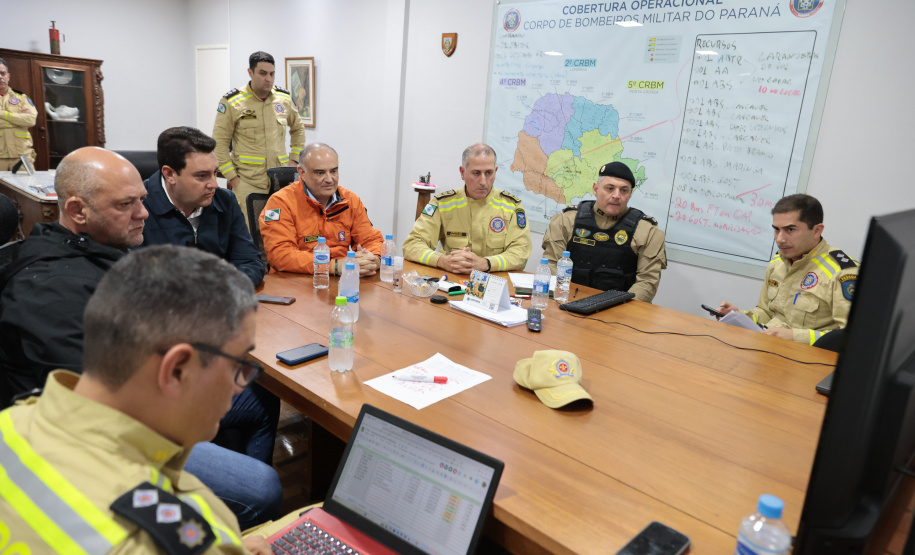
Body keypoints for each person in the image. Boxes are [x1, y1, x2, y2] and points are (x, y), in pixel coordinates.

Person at [0, 147, 281, 530]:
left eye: (143, 201)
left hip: (146, 397)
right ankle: (232, 514)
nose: (143, 214)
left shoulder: (97, 252)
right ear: (78, 211)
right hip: (106, 438)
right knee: (261, 486)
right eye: (126, 204)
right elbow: (100, 408)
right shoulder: (48, 292)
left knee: (261, 394)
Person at [0, 245, 272, 553]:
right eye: (238, 364)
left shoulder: (11, 422)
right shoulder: (177, 537)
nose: (240, 386)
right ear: (177, 370)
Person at [718, 193, 859, 345]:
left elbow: (853, 337)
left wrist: (795, 336)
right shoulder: (778, 263)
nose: (780, 239)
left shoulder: (842, 273)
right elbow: (767, 312)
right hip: (768, 350)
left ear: (817, 231)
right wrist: (739, 317)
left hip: (809, 361)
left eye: (790, 230)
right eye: (777, 230)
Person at [140, 126, 265, 285]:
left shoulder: (225, 201)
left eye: (215, 173)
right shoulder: (137, 208)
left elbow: (250, 262)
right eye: (202, 176)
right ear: (169, 174)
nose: (214, 184)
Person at [541, 161, 667, 302]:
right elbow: (552, 265)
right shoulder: (566, 221)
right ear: (596, 189)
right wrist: (563, 300)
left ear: (630, 193)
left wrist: (621, 310)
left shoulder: (647, 231)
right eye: (610, 188)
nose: (616, 195)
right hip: (567, 302)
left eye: (624, 190)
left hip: (620, 309)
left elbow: (647, 282)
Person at [403, 143, 532, 274]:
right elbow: (412, 245)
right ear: (462, 172)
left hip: (494, 283)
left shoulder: (512, 206)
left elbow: (520, 252)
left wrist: (486, 263)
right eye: (476, 173)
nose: (483, 181)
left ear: (496, 171)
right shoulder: (443, 204)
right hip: (453, 281)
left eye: (489, 173)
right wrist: (442, 260)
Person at [260, 143, 382, 276]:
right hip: (295, 282)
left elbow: (370, 239)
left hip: (340, 280)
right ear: (302, 172)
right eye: (320, 173)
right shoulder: (280, 202)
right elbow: (280, 255)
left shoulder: (350, 200)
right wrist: (332, 266)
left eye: (333, 171)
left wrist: (374, 259)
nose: (329, 179)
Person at [213, 51, 305, 224]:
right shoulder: (232, 102)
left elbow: (298, 130)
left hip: (280, 182)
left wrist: (294, 161)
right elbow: (219, 144)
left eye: (272, 74)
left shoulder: (283, 99)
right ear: (250, 72)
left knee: (278, 231)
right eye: (262, 73)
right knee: (249, 235)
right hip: (248, 182)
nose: (268, 79)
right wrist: (233, 178)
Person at [0, 57, 38, 171]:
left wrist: (2, 114)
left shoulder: (21, 97)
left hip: (22, 156)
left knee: (26, 187)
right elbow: (24, 120)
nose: (0, 77)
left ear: (8, 76)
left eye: (3, 73)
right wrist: (18, 120)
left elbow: (31, 120)